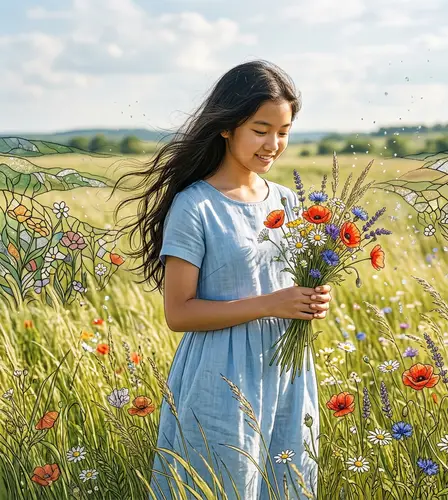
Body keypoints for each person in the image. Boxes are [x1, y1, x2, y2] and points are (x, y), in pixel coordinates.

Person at [115, 59, 332, 499]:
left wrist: (311, 300)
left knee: (286, 486)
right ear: (227, 126)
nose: (273, 144)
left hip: (286, 375)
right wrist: (273, 304)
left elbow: (282, 284)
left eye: (284, 131)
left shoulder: (291, 202)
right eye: (260, 129)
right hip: (221, 378)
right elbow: (178, 312)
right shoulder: (195, 206)